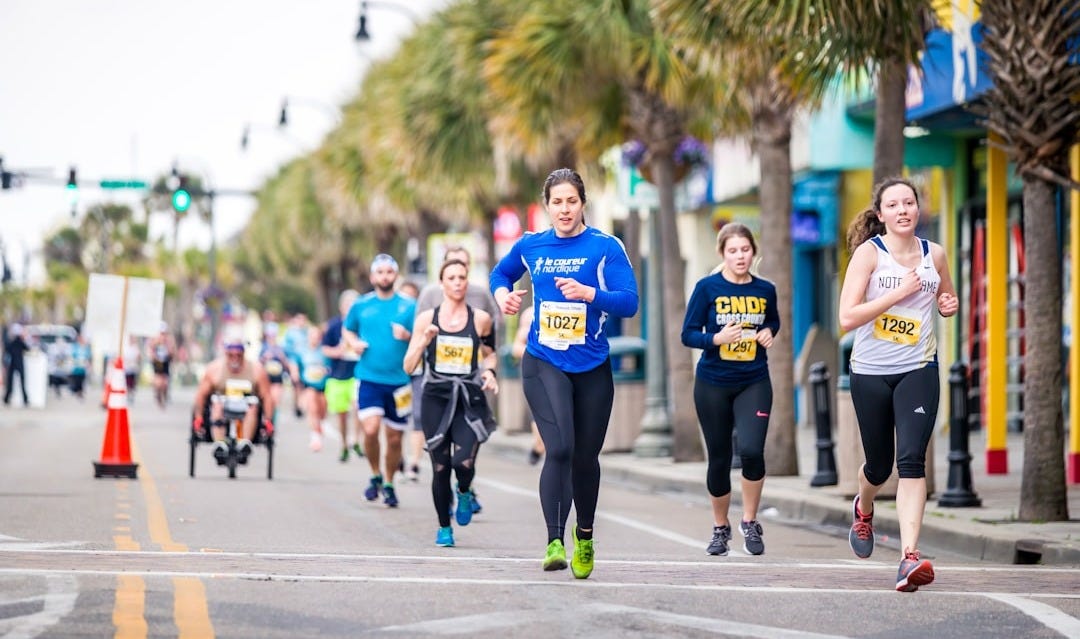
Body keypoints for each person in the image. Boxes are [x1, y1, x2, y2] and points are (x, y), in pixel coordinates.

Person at [490, 168, 639, 579]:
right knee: (559, 448)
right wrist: (504, 296)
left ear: (583, 203)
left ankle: (585, 536)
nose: (565, 209)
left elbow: (629, 302)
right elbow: (499, 274)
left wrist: (589, 293)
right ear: (547, 206)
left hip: (592, 366)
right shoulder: (531, 245)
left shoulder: (605, 247)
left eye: (571, 201)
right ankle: (554, 541)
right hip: (544, 360)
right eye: (557, 202)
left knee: (586, 458)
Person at [838, 176, 958, 593]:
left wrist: (948, 305)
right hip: (870, 371)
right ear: (881, 214)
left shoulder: (934, 254)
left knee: (911, 461)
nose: (903, 210)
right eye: (894, 205)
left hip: (917, 368)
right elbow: (847, 318)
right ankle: (864, 506)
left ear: (917, 209)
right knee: (878, 466)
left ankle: (909, 557)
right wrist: (896, 294)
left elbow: (945, 299)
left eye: (909, 202)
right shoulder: (869, 255)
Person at [681, 223, 779, 557]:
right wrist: (716, 339)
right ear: (722, 254)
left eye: (745, 250)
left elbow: (773, 321)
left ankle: (750, 520)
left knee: (752, 450)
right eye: (733, 251)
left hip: (754, 380)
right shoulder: (707, 288)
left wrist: (768, 333)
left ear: (754, 252)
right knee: (720, 459)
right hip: (713, 383)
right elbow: (688, 334)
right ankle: (720, 527)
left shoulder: (765, 289)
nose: (740, 256)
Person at [404, 258, 499, 547]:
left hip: (468, 398)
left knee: (463, 461)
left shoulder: (480, 318)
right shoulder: (426, 320)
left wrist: (491, 372)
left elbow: (490, 353)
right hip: (436, 397)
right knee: (441, 466)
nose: (458, 282)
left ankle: (465, 490)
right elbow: (408, 366)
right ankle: (444, 527)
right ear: (442, 283)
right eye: (452, 278)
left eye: (462, 277)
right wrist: (424, 341)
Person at [344, 254, 416, 508]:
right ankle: (374, 474)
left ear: (395, 275)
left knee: (395, 439)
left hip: (400, 381)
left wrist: (407, 335)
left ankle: (388, 482)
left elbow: (421, 337)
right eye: (380, 272)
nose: (385, 276)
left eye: (389, 272)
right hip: (369, 378)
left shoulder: (409, 306)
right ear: (373, 277)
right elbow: (348, 328)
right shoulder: (361, 305)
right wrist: (353, 343)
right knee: (371, 429)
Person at [191, 332, 275, 465]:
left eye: (238, 355)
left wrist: (269, 420)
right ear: (226, 354)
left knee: (253, 408)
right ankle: (220, 443)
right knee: (216, 405)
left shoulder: (256, 370)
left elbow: (267, 396)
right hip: (222, 404)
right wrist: (199, 417)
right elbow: (201, 395)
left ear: (243, 354)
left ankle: (245, 443)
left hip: (247, 406)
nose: (235, 358)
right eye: (231, 355)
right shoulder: (214, 369)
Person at [322, 289, 362, 462]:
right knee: (342, 414)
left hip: (358, 373)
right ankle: (344, 444)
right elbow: (324, 348)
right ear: (341, 307)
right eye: (347, 305)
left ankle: (357, 441)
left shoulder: (362, 325)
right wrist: (337, 351)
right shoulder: (334, 325)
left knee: (359, 408)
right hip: (338, 376)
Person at [512, 306, 545, 465]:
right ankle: (538, 447)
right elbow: (516, 348)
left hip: (566, 372)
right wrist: (541, 353)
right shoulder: (530, 313)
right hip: (537, 373)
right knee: (540, 417)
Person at [297, 324, 330, 451]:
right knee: (312, 408)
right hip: (308, 386)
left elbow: (330, 368)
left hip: (323, 386)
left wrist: (325, 370)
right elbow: (298, 368)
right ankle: (315, 436)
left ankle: (320, 427)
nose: (314, 339)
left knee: (321, 412)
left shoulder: (324, 352)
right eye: (312, 336)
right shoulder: (303, 352)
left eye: (317, 336)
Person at [259, 323, 290, 423]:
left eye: (273, 335)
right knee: (267, 400)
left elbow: (287, 365)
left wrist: (282, 358)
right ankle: (266, 419)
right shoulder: (263, 348)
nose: (272, 337)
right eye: (270, 335)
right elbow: (258, 364)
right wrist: (264, 358)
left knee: (275, 401)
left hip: (277, 377)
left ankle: (272, 422)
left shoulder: (280, 348)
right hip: (266, 378)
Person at [147, 321, 176, 408]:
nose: (163, 335)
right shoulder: (154, 340)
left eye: (164, 333)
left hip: (165, 362)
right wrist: (154, 357)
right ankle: (158, 394)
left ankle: (165, 395)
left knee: (165, 382)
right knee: (158, 381)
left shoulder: (169, 340)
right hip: (157, 362)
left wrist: (170, 352)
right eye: (161, 333)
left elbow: (173, 352)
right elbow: (150, 350)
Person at [3, 324, 30, 407]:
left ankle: (7, 398)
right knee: (22, 382)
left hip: (12, 363)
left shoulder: (11, 342)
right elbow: (27, 348)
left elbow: (7, 349)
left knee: (10, 383)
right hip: (19, 363)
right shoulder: (20, 342)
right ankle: (25, 399)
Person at [69, 332, 92, 399]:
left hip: (83, 366)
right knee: (76, 379)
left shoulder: (86, 347)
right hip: (76, 366)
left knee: (82, 379)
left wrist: (88, 363)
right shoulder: (75, 346)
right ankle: (77, 391)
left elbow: (88, 356)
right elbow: (73, 355)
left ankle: (80, 391)